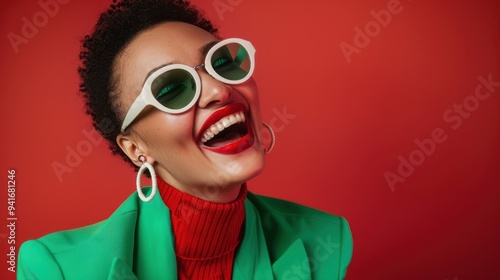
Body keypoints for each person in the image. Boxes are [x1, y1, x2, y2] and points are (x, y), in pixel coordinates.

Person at [17, 0, 353, 279]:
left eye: (222, 63)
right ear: (136, 148)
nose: (221, 90)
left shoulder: (326, 242)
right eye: (172, 89)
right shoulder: (56, 268)